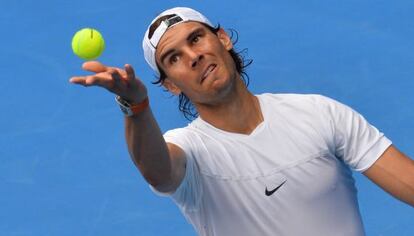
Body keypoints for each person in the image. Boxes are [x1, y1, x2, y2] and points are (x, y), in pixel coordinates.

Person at [70, 7, 414, 236]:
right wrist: (136, 105)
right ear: (172, 84)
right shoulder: (189, 151)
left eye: (196, 39)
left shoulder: (319, 113)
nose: (194, 56)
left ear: (222, 39)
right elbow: (157, 170)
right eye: (174, 58)